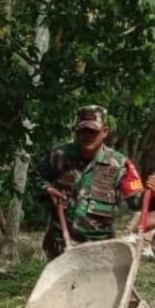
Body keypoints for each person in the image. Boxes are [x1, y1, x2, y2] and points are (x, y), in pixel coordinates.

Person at [39, 105, 146, 260]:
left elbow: (137, 202)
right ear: (76, 131)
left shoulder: (119, 164)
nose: (87, 135)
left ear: (104, 132)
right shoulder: (58, 156)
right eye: (83, 130)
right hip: (60, 247)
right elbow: (36, 177)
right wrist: (47, 188)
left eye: (93, 131)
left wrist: (152, 192)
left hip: (98, 250)